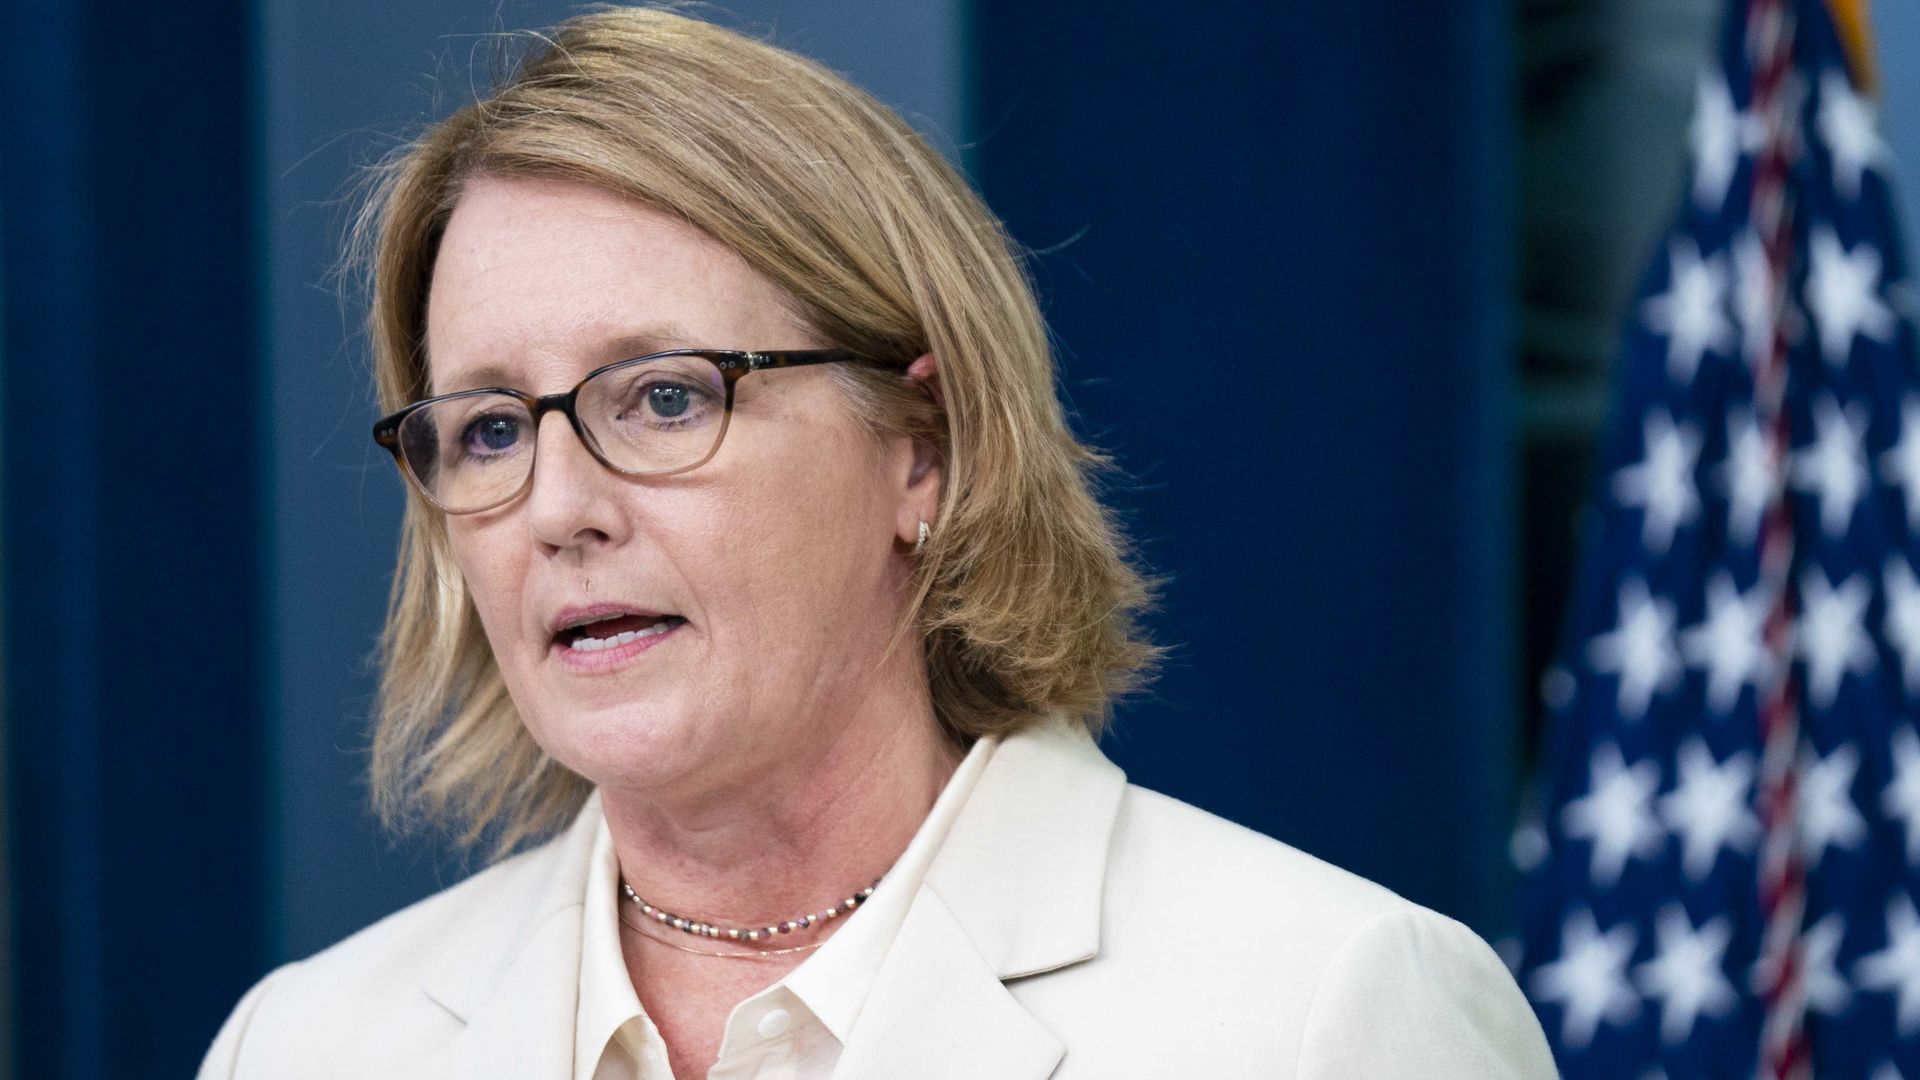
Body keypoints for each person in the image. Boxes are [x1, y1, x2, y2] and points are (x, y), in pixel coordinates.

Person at [197, 7, 1556, 1078]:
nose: (560, 509)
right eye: (491, 431)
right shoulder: (307, 1046)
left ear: (926, 447)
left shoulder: (1325, 1014)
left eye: (666, 398)